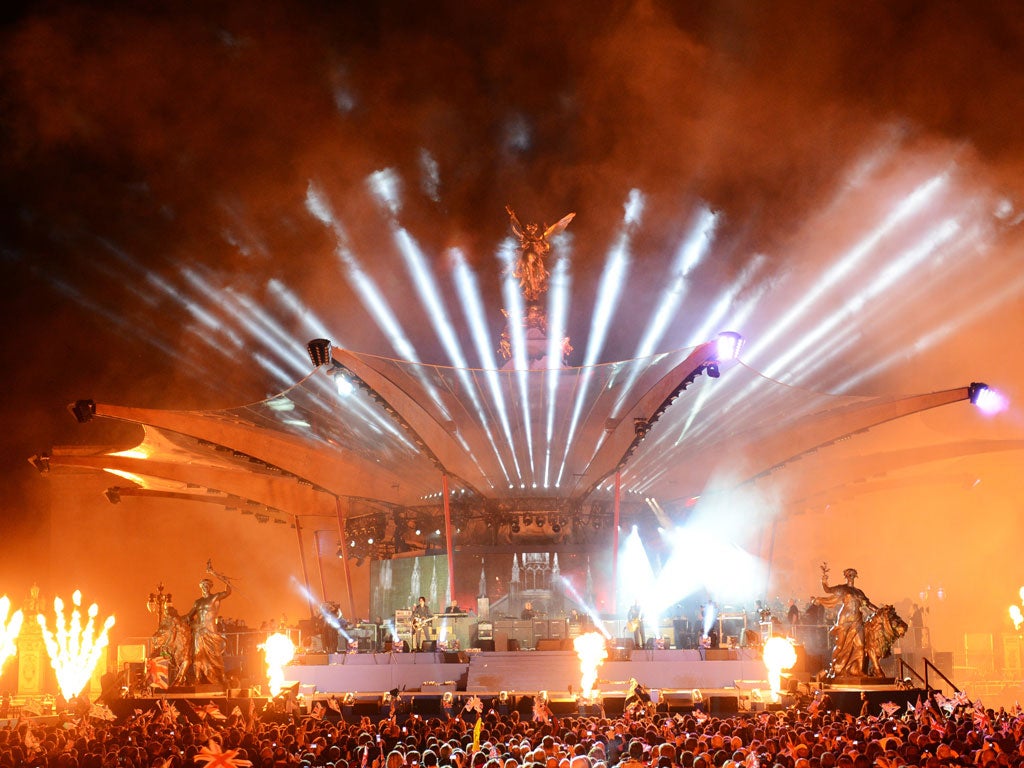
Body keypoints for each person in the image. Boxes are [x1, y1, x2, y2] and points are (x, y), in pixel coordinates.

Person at [818, 563, 877, 678]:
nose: (851, 577)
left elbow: (868, 604)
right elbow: (828, 590)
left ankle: (859, 670)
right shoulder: (842, 588)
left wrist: (879, 610)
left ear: (855, 577)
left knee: (860, 646)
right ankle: (834, 665)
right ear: (846, 576)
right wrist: (824, 581)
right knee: (840, 646)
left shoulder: (859, 592)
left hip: (857, 620)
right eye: (849, 575)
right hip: (844, 621)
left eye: (853, 575)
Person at [185, 568, 232, 687]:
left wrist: (223, 578)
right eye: (203, 585)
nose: (205, 587)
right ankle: (197, 678)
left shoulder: (215, 597)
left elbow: (228, 591)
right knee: (197, 654)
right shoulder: (198, 602)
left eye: (207, 585)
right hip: (199, 631)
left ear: (210, 587)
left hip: (210, 630)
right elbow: (189, 616)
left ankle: (222, 676)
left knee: (215, 655)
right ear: (201, 587)